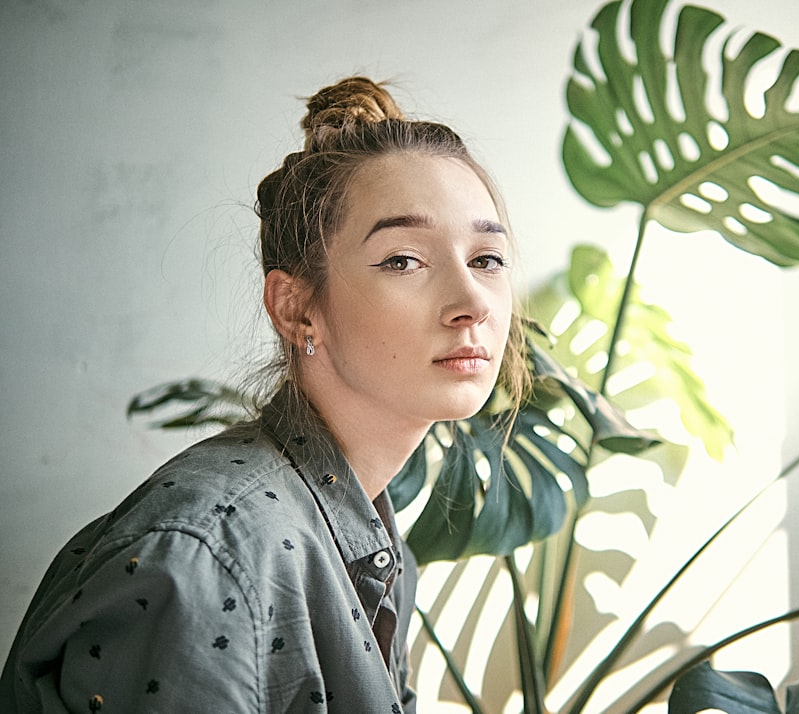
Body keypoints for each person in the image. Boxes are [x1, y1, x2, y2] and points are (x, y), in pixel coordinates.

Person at [1, 76, 530, 712]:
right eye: (403, 260)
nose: (471, 302)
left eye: (487, 259)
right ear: (297, 307)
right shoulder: (207, 561)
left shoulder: (374, 544)